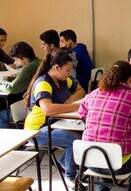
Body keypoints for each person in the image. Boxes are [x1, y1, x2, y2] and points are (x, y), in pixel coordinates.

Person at [78, 61, 131, 191]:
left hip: (89, 160)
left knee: (108, 151)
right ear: (130, 79)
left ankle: (103, 187)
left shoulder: (93, 94)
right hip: (118, 165)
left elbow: (81, 114)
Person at [24, 49, 85, 187]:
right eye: (67, 70)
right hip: (36, 131)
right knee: (74, 139)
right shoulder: (43, 83)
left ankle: (65, 162)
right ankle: (70, 176)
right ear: (57, 68)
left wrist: (69, 100)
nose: (69, 73)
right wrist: (75, 107)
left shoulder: (63, 79)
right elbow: (48, 109)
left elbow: (81, 90)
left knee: (83, 133)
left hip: (55, 123)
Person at [0, 42, 40, 128]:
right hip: (33, 103)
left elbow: (12, 88)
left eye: (17, 60)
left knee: (1, 116)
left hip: (29, 106)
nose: (16, 63)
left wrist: (1, 86)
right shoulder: (37, 62)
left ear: (24, 58)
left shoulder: (28, 68)